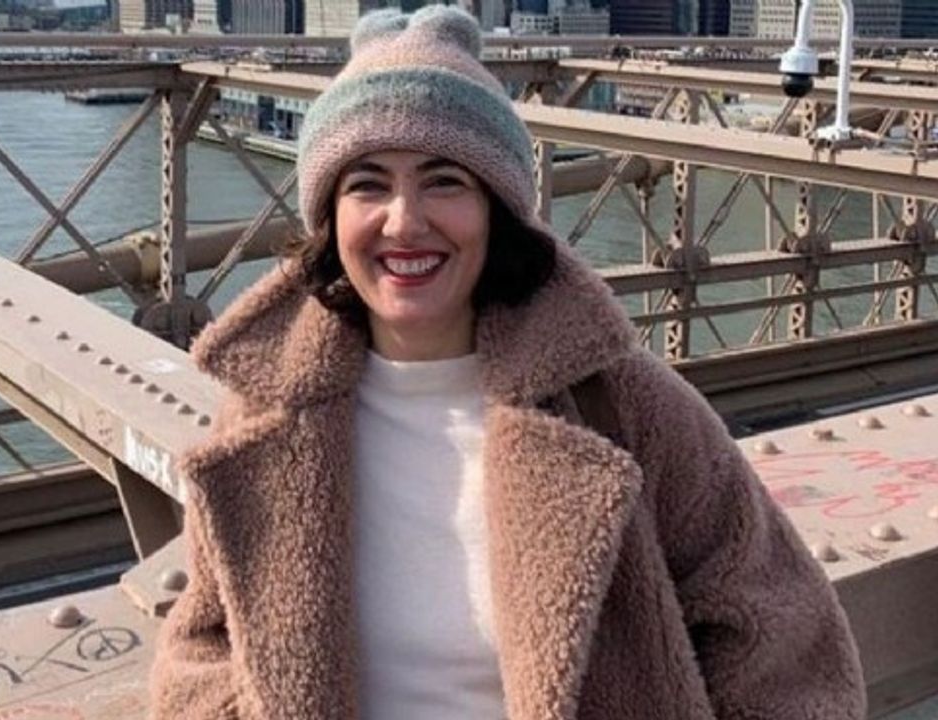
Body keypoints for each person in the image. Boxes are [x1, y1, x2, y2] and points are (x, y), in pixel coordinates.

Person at [150, 6, 866, 719]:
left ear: (497, 209)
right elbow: (203, 648)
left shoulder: (624, 406)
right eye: (367, 184)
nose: (404, 221)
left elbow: (789, 646)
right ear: (329, 218)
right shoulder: (265, 413)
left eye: (444, 181)